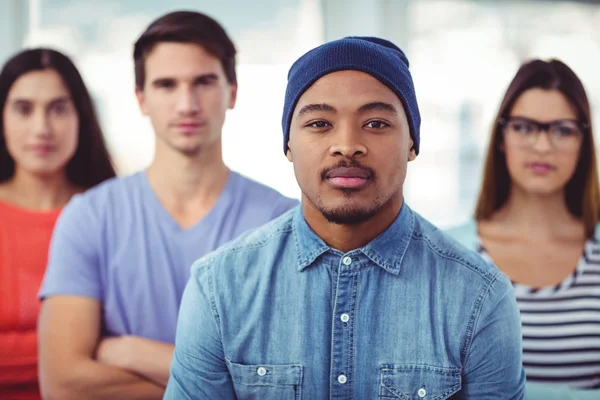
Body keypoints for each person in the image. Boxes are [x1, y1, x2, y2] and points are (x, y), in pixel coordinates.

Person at [164, 36, 526, 399]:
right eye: (320, 123)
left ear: (412, 143)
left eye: (376, 124)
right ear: (288, 145)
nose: (347, 144)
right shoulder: (219, 287)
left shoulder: (479, 295)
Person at [37, 11, 298, 399]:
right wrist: (220, 381)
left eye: (204, 82)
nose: (187, 104)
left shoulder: (283, 223)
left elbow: (285, 385)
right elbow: (63, 385)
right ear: (141, 98)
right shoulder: (89, 217)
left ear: (232, 91)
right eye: (166, 84)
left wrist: (129, 351)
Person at [447, 60, 600, 399]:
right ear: (501, 136)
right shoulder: (449, 254)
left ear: (583, 141)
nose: (543, 146)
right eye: (524, 127)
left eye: (562, 129)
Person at [0, 48, 116, 399]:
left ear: (81, 116)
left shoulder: (114, 214)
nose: (42, 128)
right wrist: (83, 358)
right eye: (23, 109)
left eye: (58, 109)